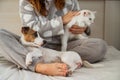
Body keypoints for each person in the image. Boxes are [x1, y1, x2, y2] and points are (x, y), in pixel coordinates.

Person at [0, 0, 107, 78]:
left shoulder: (70, 1)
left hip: (64, 46)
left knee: (100, 46)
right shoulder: (26, 2)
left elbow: (82, 22)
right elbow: (32, 30)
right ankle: (39, 66)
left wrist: (84, 28)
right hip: (34, 45)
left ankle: (59, 58)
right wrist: (61, 21)